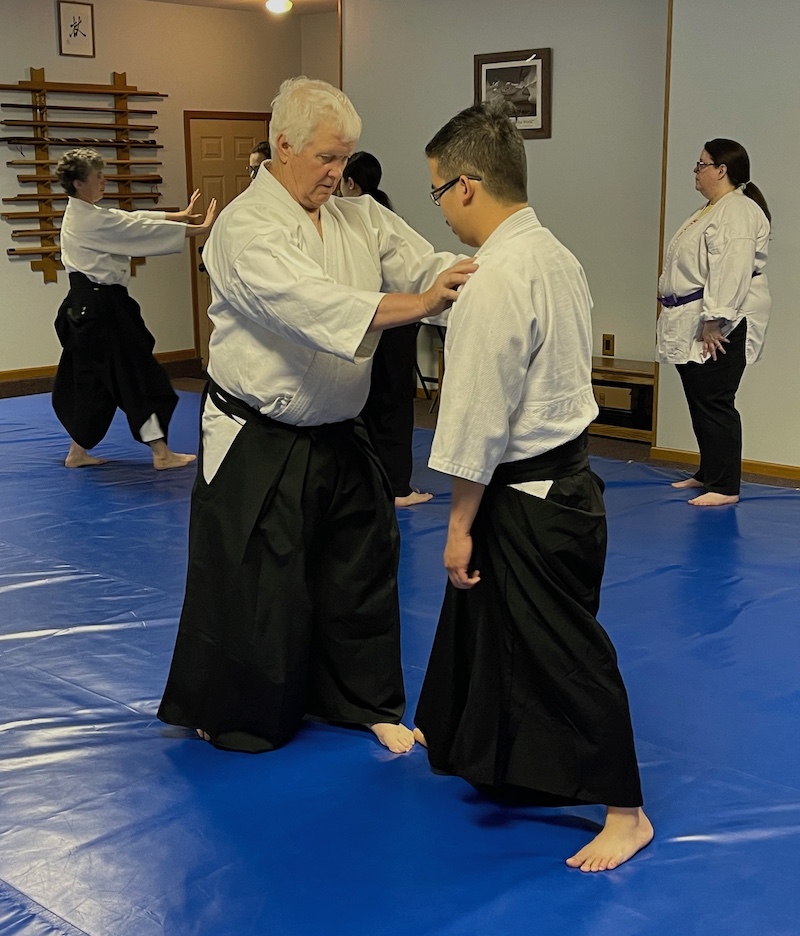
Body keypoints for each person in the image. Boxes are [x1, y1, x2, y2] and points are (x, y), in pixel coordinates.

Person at [157, 78, 475, 756]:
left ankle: (363, 701)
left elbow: (425, 260)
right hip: (258, 433)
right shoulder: (246, 229)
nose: (340, 173)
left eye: (348, 158)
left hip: (339, 428)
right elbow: (314, 306)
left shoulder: (357, 216)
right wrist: (420, 304)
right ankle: (235, 708)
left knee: (359, 570)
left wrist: (489, 275)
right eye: (329, 158)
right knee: (257, 583)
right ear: (284, 146)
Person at [412, 104, 653, 872]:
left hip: (527, 494)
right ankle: (473, 746)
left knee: (563, 649)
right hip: (569, 483)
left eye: (439, 191)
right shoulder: (557, 255)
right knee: (484, 624)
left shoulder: (494, 281)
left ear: (469, 185)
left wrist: (457, 527)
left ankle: (626, 810)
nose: (442, 208)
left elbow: (479, 419)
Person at [53, 148, 217, 470]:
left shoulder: (84, 214)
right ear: (78, 183)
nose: (104, 181)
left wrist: (178, 217)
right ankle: (161, 453)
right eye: (97, 177)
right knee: (138, 380)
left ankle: (77, 452)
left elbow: (127, 219)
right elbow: (132, 229)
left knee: (91, 383)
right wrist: (194, 230)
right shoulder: (89, 221)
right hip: (103, 311)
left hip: (84, 311)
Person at [658, 139, 771, 506]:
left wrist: (715, 320)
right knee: (698, 398)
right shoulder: (711, 209)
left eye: (702, 164)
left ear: (722, 170)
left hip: (722, 322)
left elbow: (731, 269)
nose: (696, 170)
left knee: (715, 399)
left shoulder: (737, 210)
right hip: (692, 317)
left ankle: (725, 486)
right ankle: (709, 472)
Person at [339, 151, 432, 507]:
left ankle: (396, 486)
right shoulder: (378, 215)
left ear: (350, 182)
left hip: (391, 317)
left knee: (387, 401)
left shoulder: (371, 217)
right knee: (376, 400)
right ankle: (381, 480)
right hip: (381, 318)